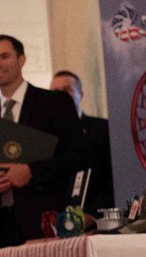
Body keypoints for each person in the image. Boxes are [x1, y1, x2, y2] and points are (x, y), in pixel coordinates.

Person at [0, 35, 84, 248]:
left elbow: (78, 156)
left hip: (47, 221)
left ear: (21, 60)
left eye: (4, 56)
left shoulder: (54, 103)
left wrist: (31, 171)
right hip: (2, 227)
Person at [49, 70, 115, 214]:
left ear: (81, 94)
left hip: (95, 217)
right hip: (56, 218)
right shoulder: (45, 135)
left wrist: (91, 216)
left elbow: (112, 179)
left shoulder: (102, 129)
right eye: (55, 92)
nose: (60, 96)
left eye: (67, 90)